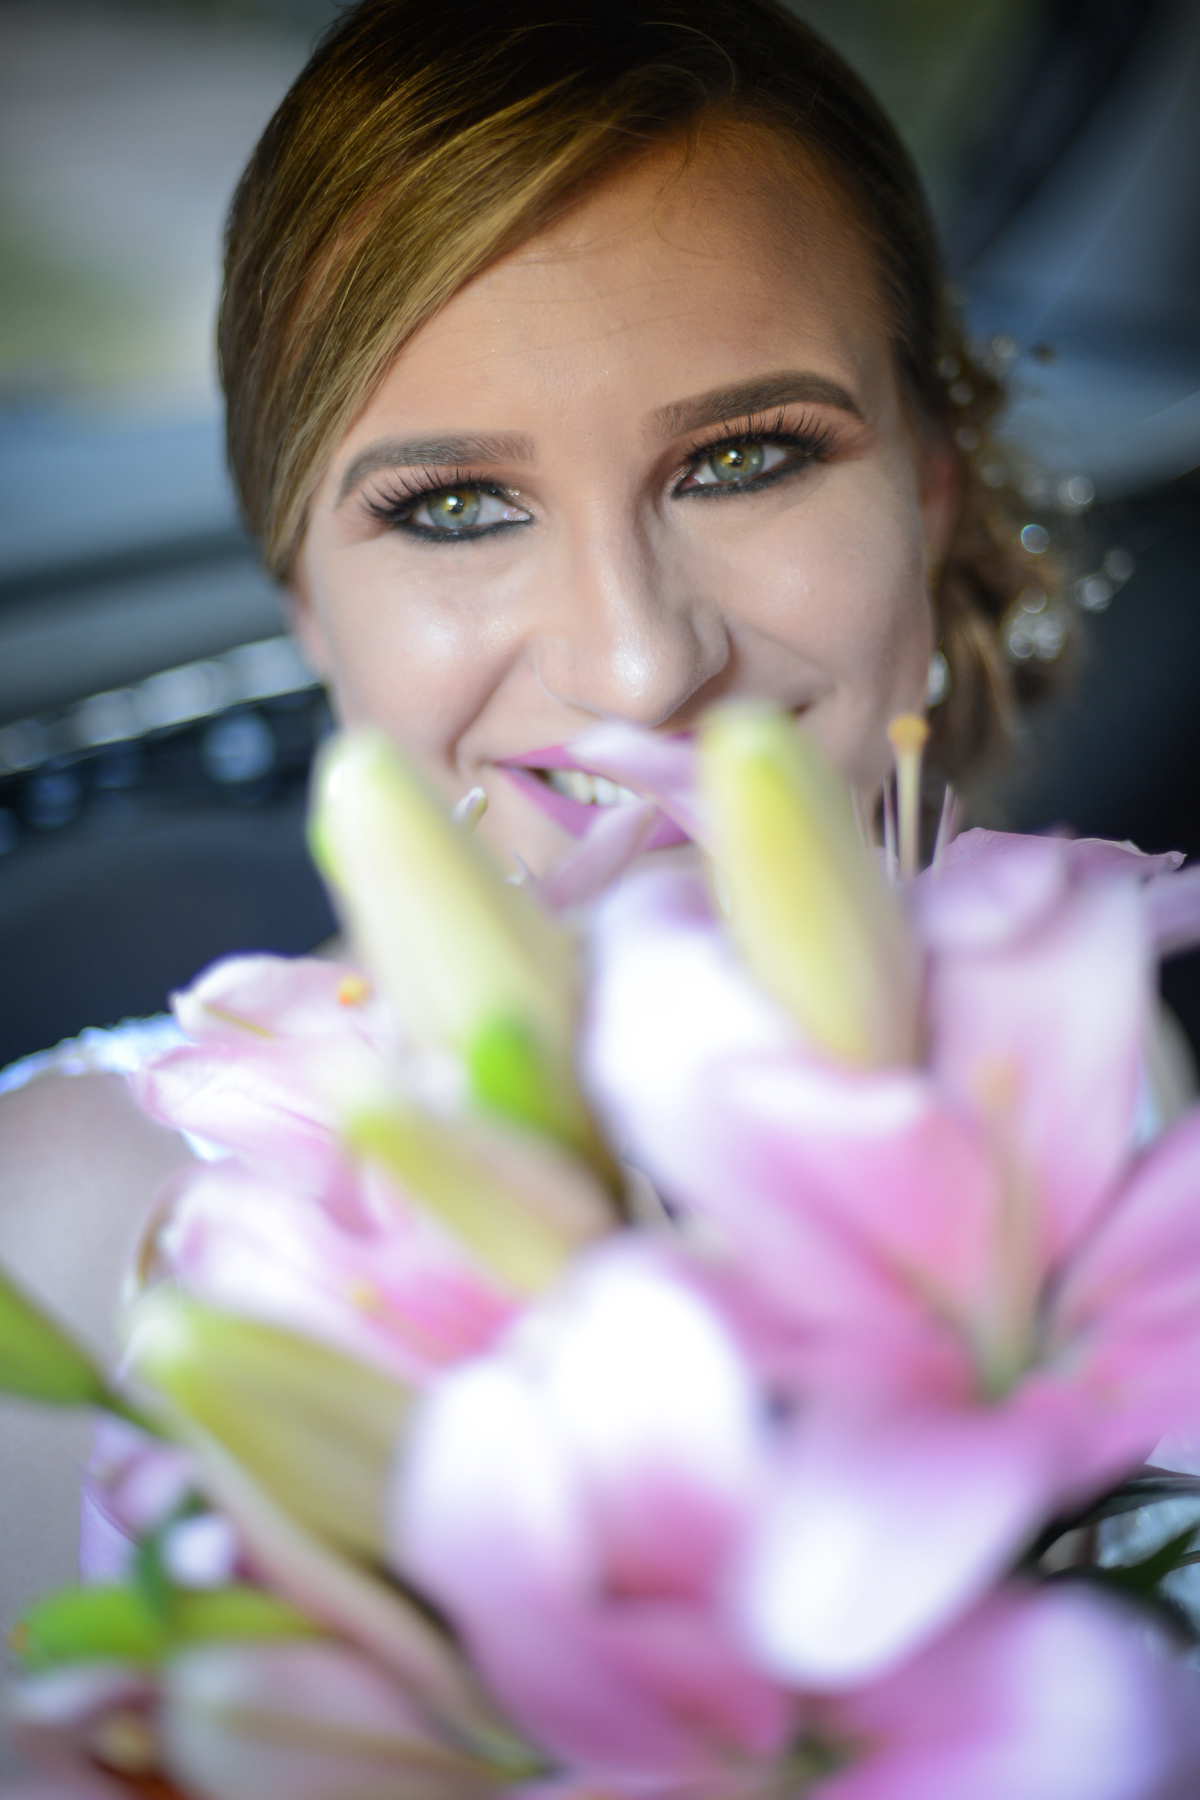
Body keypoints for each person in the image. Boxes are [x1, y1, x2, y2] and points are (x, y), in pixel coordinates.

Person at [0, 0, 1053, 1671]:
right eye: (457, 507)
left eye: (746, 458)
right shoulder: (67, 1224)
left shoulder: (1115, 1112)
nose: (637, 660)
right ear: (309, 604)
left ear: (923, 496)